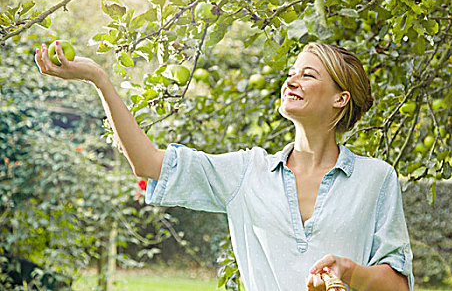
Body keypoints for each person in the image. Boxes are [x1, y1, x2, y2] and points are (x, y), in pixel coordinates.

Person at [35, 41, 413, 291]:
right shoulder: (246, 173)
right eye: (292, 72)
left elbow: (398, 285)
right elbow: (148, 162)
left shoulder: (376, 179)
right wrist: (99, 79)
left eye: (308, 74)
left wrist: (350, 271)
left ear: (340, 99)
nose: (291, 80)